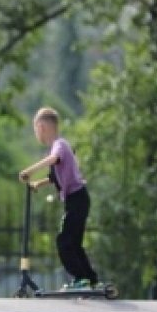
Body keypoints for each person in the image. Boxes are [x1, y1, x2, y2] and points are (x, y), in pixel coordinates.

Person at [18, 107, 100, 290]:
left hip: (76, 199)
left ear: (41, 127)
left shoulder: (59, 145)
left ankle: (81, 279)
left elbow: (53, 160)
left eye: (35, 129)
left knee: (63, 242)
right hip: (78, 199)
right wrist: (38, 184)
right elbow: (56, 176)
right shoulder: (60, 146)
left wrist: (29, 171)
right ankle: (91, 279)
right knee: (74, 243)